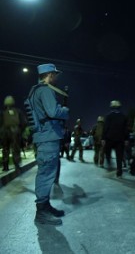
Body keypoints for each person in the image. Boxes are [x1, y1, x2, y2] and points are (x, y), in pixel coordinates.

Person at [29, 63, 69, 225]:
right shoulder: (45, 90)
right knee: (46, 174)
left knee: (46, 173)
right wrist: (65, 110)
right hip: (48, 137)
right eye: (55, 75)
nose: (56, 78)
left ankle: (45, 207)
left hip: (44, 136)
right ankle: (41, 213)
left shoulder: (35, 90)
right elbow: (53, 112)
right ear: (50, 75)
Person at [102, 100, 129, 178]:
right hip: (120, 140)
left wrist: (103, 138)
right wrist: (126, 139)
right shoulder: (124, 116)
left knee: (107, 154)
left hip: (109, 139)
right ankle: (119, 172)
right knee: (119, 157)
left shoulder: (109, 116)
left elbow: (105, 128)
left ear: (112, 107)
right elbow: (126, 129)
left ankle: (110, 166)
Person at [0, 95, 27, 172]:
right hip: (15, 132)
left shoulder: (2, 113)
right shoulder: (18, 111)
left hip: (4, 133)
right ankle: (17, 165)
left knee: (5, 149)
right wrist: (20, 131)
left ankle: (5, 166)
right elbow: (24, 122)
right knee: (16, 149)